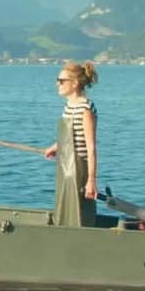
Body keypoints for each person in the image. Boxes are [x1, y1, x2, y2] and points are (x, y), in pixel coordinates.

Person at [43, 61, 98, 227]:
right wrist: (56, 147)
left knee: (79, 212)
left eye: (61, 81)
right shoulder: (68, 106)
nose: (57, 84)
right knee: (64, 209)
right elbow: (71, 136)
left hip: (79, 169)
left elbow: (91, 147)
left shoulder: (85, 108)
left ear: (74, 83)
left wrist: (91, 180)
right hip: (65, 167)